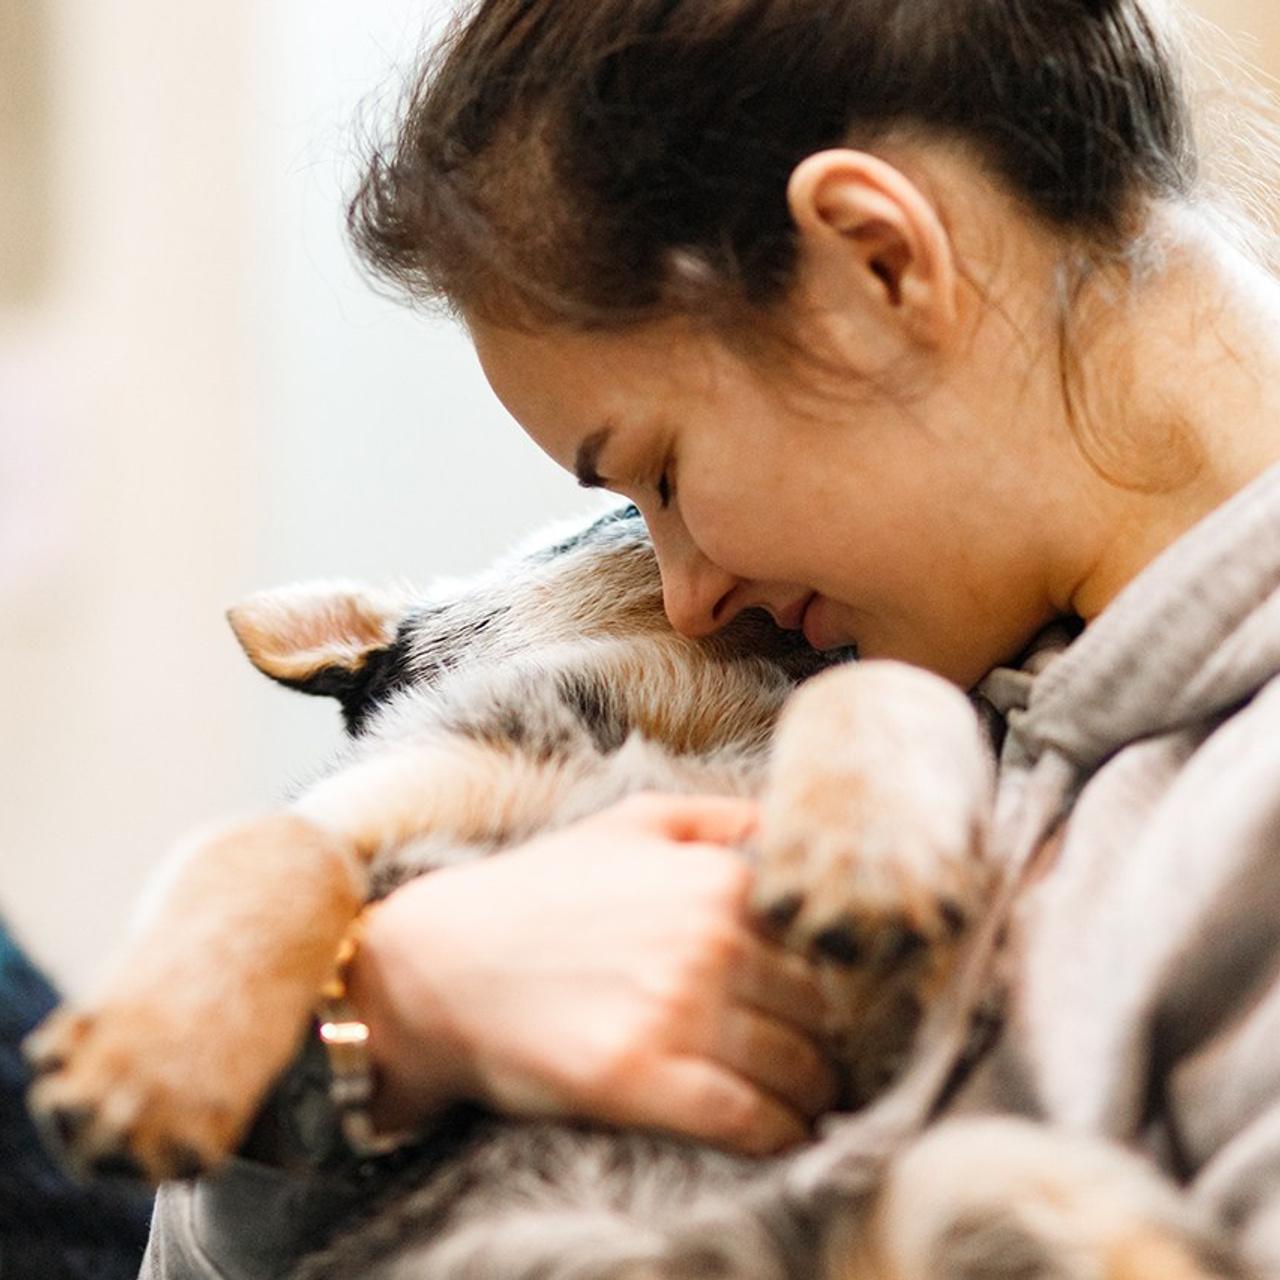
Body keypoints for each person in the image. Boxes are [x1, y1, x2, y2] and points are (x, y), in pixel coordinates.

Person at [143, 0, 1280, 1274]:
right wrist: (397, 1011)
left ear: (877, 264)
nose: (684, 597)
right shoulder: (919, 645)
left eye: (663, 476)